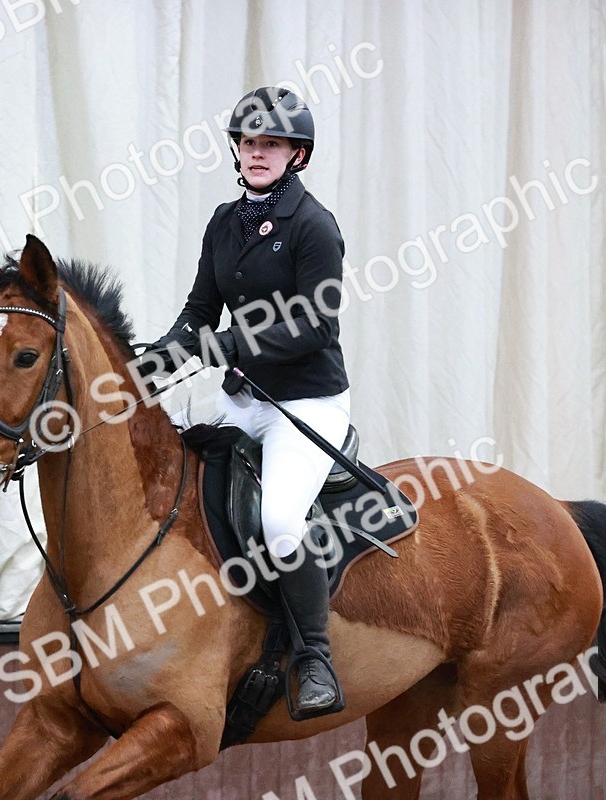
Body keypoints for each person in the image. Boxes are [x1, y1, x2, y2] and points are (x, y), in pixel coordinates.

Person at [142, 87, 351, 719]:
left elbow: (316, 324)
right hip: (246, 398)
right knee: (177, 488)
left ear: (297, 155)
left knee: (282, 523)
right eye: (250, 142)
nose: (258, 153)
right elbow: (200, 310)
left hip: (306, 405)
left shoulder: (314, 226)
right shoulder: (224, 221)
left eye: (272, 144)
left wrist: (229, 342)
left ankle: (315, 655)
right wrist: (152, 363)